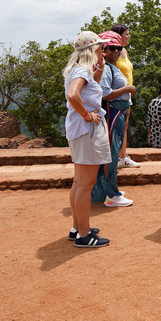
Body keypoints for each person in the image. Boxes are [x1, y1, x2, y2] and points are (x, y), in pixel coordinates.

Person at [64, 31, 112, 248]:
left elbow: (91, 89)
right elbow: (73, 95)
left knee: (79, 182)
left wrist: (100, 66)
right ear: (93, 49)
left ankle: (77, 228)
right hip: (87, 130)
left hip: (79, 130)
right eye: (101, 48)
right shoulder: (82, 71)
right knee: (86, 184)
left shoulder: (80, 70)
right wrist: (87, 115)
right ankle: (84, 235)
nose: (104, 51)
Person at [91, 31, 136, 208]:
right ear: (104, 50)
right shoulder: (107, 68)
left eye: (118, 48)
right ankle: (111, 193)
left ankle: (104, 190)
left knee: (112, 153)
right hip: (113, 111)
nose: (116, 51)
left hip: (117, 111)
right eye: (112, 48)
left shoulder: (111, 66)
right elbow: (105, 93)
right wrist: (127, 89)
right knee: (111, 153)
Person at [111, 23, 140, 169]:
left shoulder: (125, 51)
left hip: (126, 93)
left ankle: (122, 157)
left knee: (124, 126)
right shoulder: (113, 52)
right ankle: (115, 157)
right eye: (126, 34)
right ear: (118, 36)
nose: (129, 36)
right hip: (117, 93)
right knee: (116, 126)